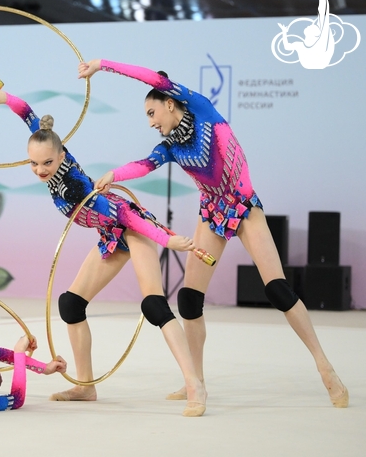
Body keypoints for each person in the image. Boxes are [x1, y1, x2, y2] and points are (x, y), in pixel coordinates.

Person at [78, 58, 348, 408]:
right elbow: (145, 164)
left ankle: (325, 367)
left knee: (278, 290)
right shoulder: (172, 146)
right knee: (190, 299)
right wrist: (115, 174)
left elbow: (150, 77)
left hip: (243, 206)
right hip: (212, 213)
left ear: (169, 103)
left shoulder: (202, 109)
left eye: (151, 113)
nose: (150, 122)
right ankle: (196, 381)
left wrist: (102, 65)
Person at [0, 85, 207, 417]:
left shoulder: (76, 186)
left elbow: (125, 215)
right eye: (34, 163)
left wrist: (167, 241)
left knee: (154, 305)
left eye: (47, 163)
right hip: (110, 234)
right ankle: (85, 385)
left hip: (134, 229)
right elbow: (28, 114)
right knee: (71, 303)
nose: (40, 170)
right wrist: (3, 99)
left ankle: (195, 385)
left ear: (62, 155)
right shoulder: (48, 147)